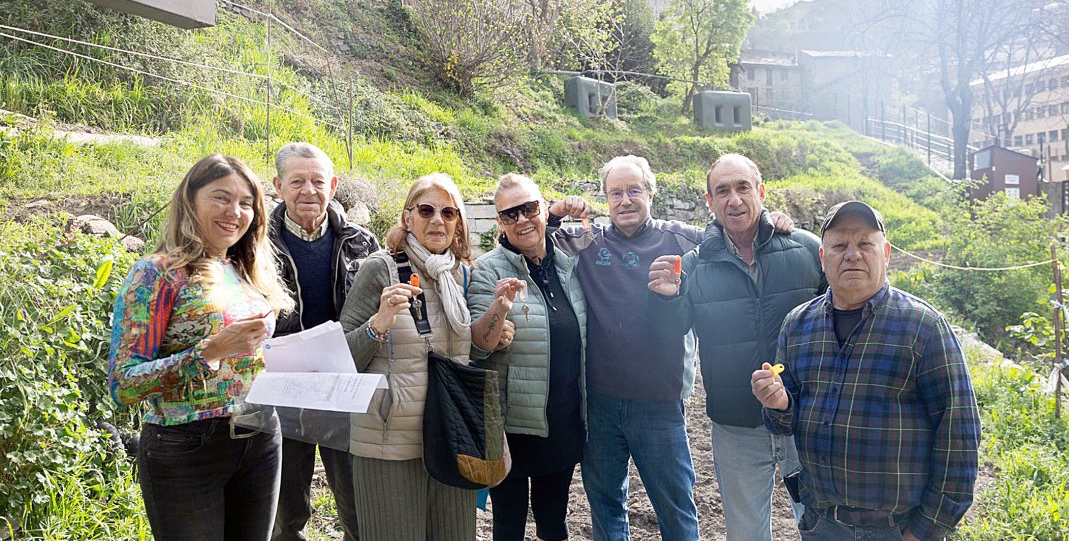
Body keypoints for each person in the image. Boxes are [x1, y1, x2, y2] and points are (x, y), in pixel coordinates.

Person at [548, 155, 794, 541]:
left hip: (660, 403)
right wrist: (553, 211)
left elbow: (735, 233)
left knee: (676, 508)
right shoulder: (587, 239)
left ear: (651, 193)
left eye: (634, 190)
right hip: (598, 403)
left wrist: (771, 220)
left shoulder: (682, 237)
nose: (625, 200)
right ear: (605, 199)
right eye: (616, 193)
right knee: (605, 504)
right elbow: (534, 241)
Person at [752, 201, 981, 541]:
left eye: (865, 244)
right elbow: (783, 424)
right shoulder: (798, 325)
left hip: (898, 529)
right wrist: (778, 404)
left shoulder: (923, 327)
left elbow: (959, 434)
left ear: (885, 252)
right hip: (822, 524)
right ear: (822, 257)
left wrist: (926, 529)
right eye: (840, 245)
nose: (853, 255)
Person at [109, 153, 294, 541]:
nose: (235, 212)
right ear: (191, 201)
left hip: (261, 436)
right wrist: (209, 351)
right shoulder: (157, 273)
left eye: (246, 203)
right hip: (188, 445)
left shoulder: (244, 272)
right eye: (221, 197)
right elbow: (124, 385)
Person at [647, 153, 825, 541]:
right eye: (722, 190)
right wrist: (664, 300)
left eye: (743, 187)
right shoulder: (692, 267)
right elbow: (671, 332)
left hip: (807, 417)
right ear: (709, 203)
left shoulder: (807, 250)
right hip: (736, 423)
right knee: (746, 533)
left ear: (761, 191)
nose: (735, 199)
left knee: (821, 526)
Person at [338, 173, 503, 541]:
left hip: (451, 434)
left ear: (459, 222)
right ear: (408, 217)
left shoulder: (460, 273)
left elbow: (466, 351)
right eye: (426, 210)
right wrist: (378, 323)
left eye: (449, 212)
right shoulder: (379, 268)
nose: (437, 220)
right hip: (390, 442)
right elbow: (343, 360)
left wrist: (498, 321)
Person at [268, 142, 379, 541]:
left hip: (344, 384)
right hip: (284, 387)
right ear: (279, 185)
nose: (308, 191)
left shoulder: (361, 243)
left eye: (317, 181)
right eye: (297, 181)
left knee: (358, 503)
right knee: (285, 510)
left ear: (332, 185)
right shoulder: (257, 243)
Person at [468, 173, 587, 541]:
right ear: (499, 223)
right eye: (509, 214)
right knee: (508, 526)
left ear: (542, 209)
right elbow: (476, 347)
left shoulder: (570, 263)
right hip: (512, 426)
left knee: (554, 521)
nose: (521, 220)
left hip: (563, 419)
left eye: (529, 208)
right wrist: (498, 314)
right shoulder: (488, 270)